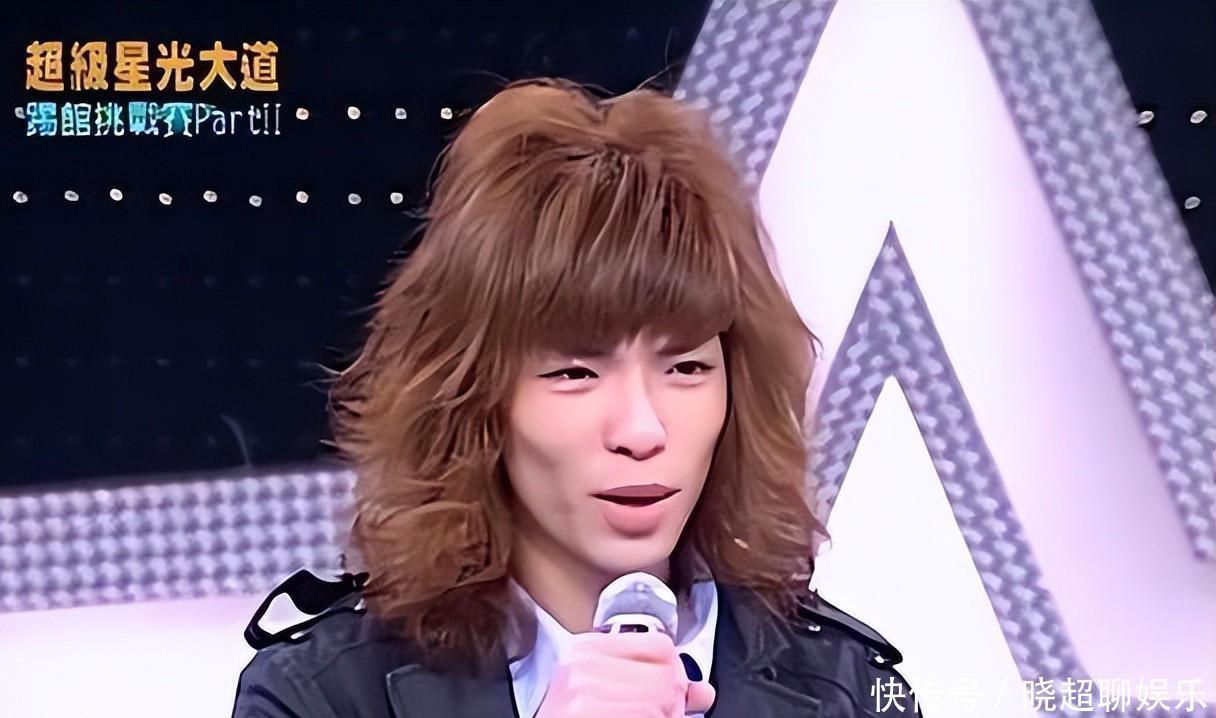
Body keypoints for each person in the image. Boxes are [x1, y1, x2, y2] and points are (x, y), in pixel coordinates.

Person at [231, 76, 921, 717]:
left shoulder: (849, 689)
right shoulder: (322, 696)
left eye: (686, 367)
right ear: (474, 398)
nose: (642, 430)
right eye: (575, 374)